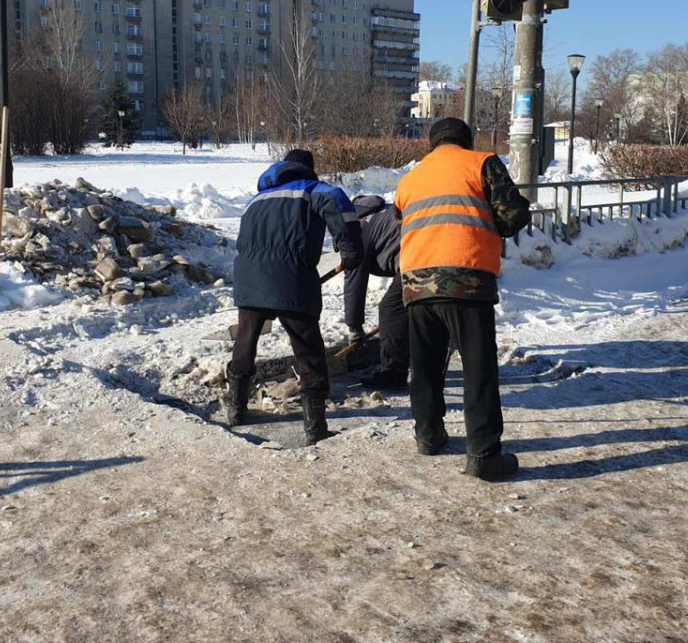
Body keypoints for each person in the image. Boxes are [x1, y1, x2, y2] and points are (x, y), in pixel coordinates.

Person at [393, 117, 530, 479]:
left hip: (417, 282)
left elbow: (400, 219)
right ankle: (484, 454)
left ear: (432, 143)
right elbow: (512, 217)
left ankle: (428, 434)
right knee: (478, 367)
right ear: (465, 141)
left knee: (425, 363)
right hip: (466, 279)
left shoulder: (410, 178)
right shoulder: (481, 163)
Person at [227, 148, 363, 445]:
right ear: (308, 169)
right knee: (307, 349)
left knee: (245, 341)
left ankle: (235, 408)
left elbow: (242, 241)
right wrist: (351, 249)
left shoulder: (257, 200)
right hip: (291, 278)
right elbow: (341, 207)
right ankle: (315, 426)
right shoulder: (313, 190)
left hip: (248, 279)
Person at [343, 195, 408, 390]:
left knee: (390, 310)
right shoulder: (383, 215)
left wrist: (354, 327)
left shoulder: (358, 230)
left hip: (418, 259)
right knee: (416, 308)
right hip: (438, 251)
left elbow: (355, 282)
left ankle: (392, 373)